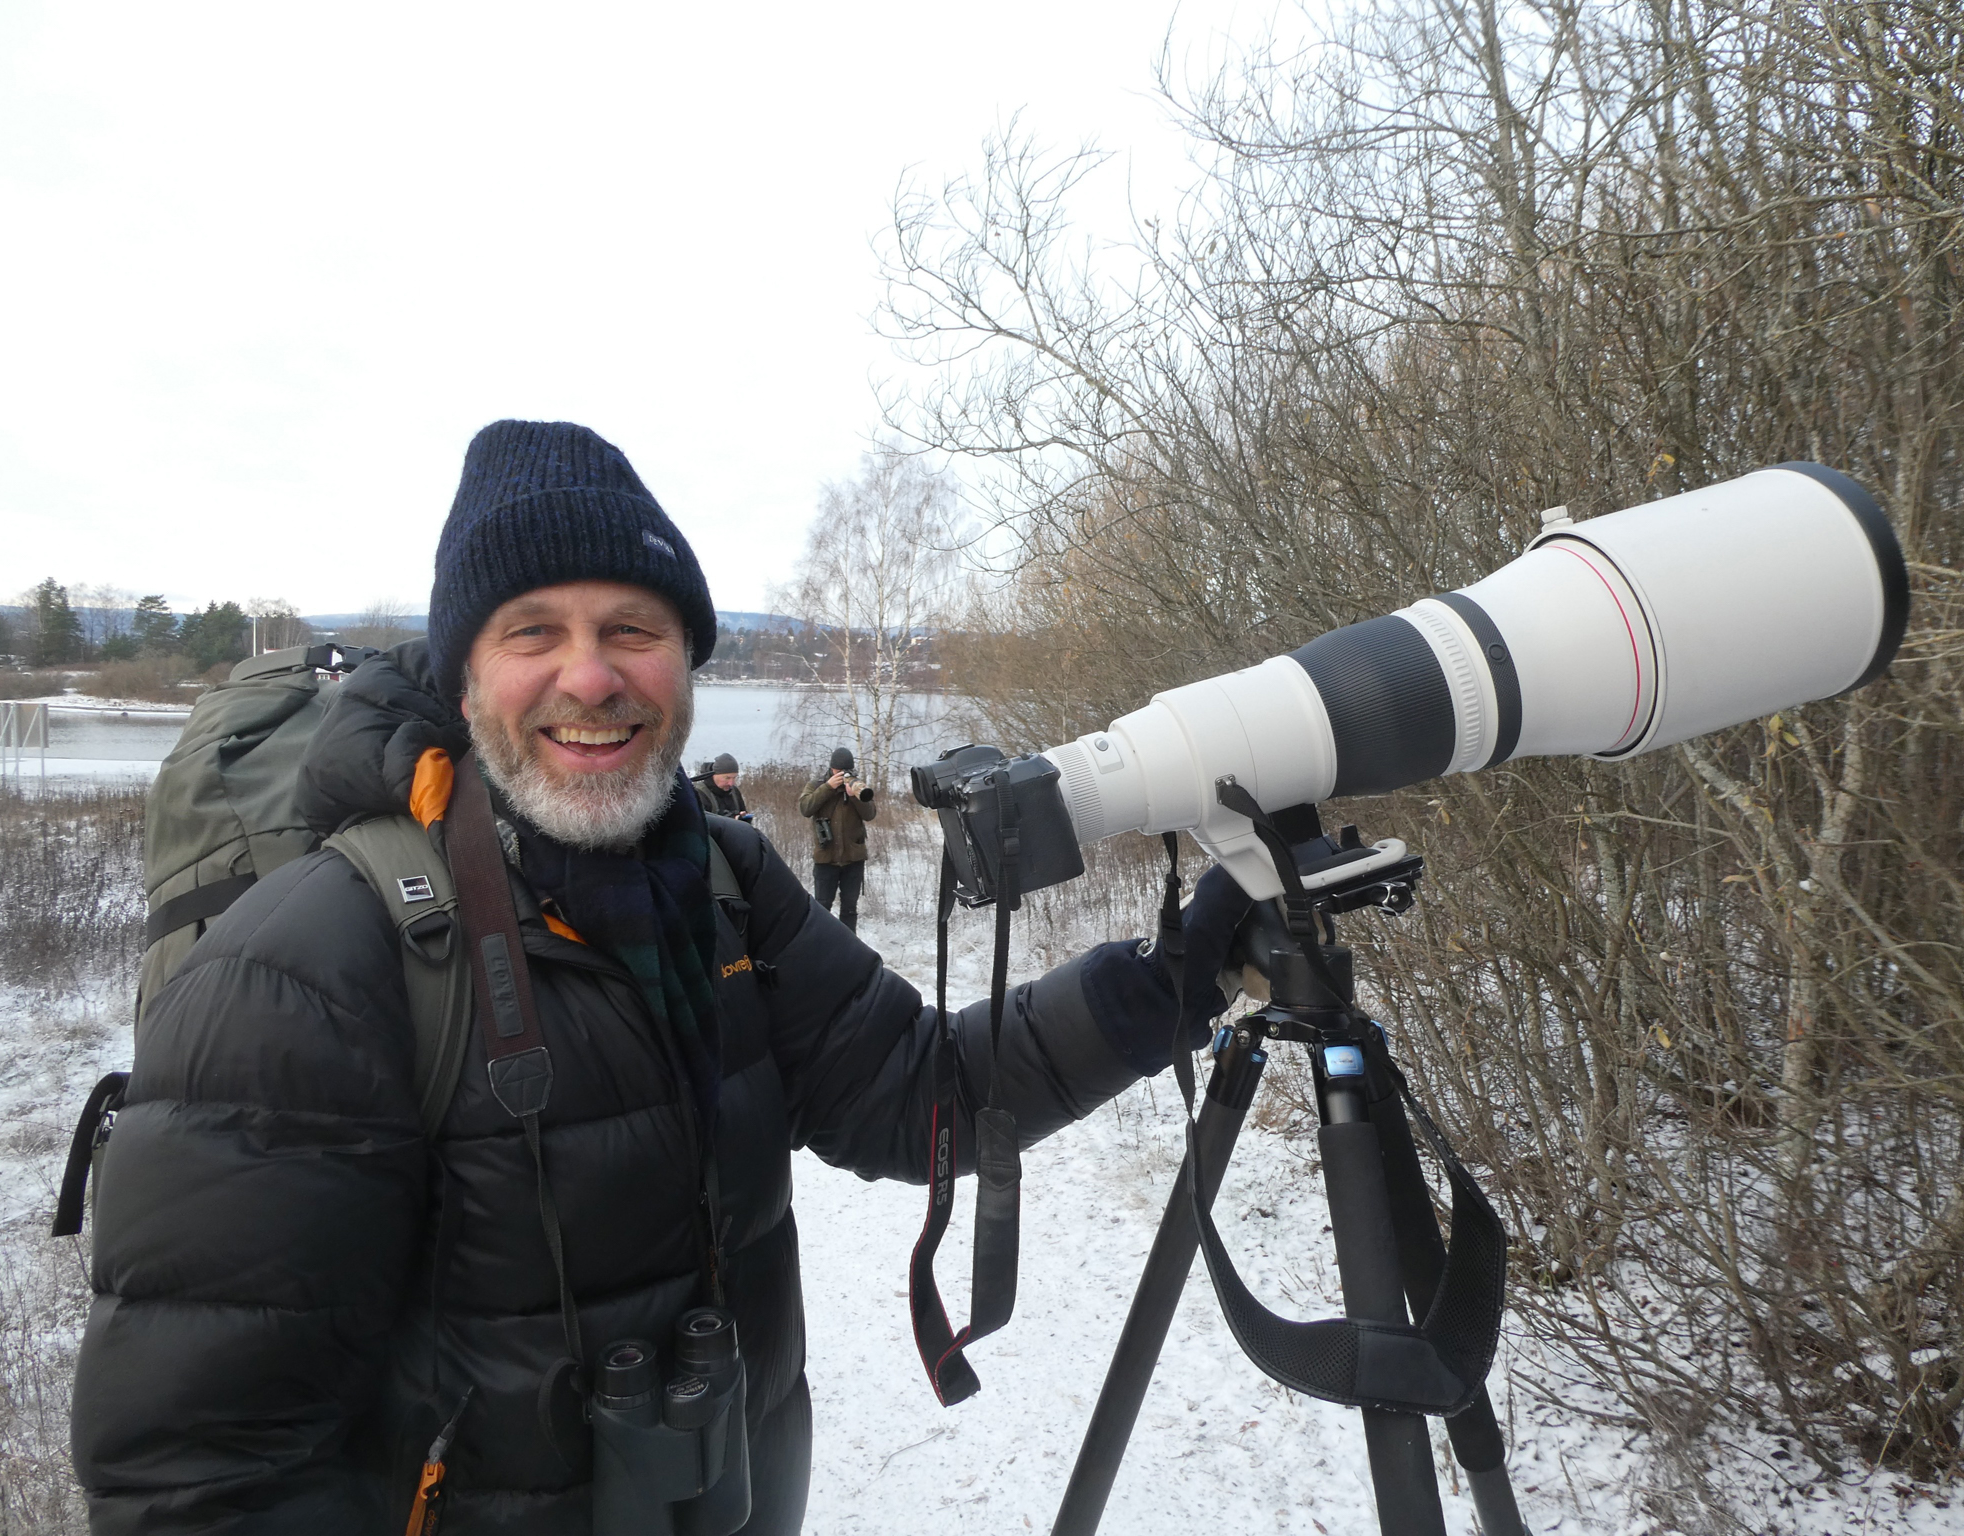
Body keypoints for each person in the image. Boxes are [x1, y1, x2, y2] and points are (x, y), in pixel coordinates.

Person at [69, 419, 1241, 1536]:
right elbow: (203, 1470)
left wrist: (1179, 977)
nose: (590, 678)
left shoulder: (721, 879)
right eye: (532, 632)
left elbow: (915, 1091)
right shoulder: (314, 961)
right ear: (463, 679)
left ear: (686, 659)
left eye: (632, 628)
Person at [798, 746, 875, 932]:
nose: (842, 774)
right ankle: (822, 947)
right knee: (822, 907)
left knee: (850, 908)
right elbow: (805, 808)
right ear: (831, 769)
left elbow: (870, 814)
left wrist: (855, 796)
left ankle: (849, 948)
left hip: (853, 859)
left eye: (846, 771)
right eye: (838, 771)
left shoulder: (858, 786)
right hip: (826, 858)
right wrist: (828, 788)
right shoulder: (817, 785)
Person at [694, 751, 748, 819]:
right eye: (727, 778)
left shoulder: (735, 792)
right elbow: (700, 824)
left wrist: (745, 821)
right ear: (714, 775)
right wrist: (733, 821)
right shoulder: (699, 794)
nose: (731, 783)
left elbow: (743, 814)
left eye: (734, 778)